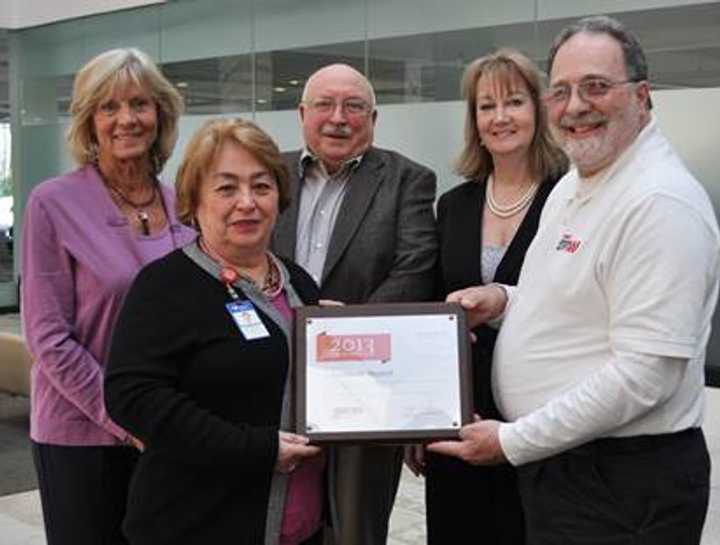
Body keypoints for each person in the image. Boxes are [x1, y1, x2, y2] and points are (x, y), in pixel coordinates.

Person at [429, 15, 719, 545]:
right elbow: (568, 301)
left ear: (643, 96)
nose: (576, 106)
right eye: (561, 90)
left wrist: (513, 441)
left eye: (596, 87)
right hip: (568, 467)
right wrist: (502, 299)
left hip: (621, 482)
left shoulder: (658, 203)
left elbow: (644, 374)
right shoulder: (578, 184)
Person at [105, 118, 325, 545]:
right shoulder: (164, 286)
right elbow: (131, 397)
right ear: (194, 200)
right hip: (196, 523)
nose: (247, 202)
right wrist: (257, 450)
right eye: (226, 188)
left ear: (279, 197)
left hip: (300, 526)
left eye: (261, 187)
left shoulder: (301, 283)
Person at [21, 48, 194, 545]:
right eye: (108, 107)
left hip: (167, 431)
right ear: (89, 121)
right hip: (83, 435)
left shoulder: (182, 202)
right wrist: (127, 416)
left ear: (159, 113)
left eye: (139, 104)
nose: (126, 119)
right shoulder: (52, 203)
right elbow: (48, 337)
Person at [272, 63, 438, 545]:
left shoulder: (409, 179)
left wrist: (346, 330)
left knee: (355, 528)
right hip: (274, 379)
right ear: (302, 113)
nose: (338, 118)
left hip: (366, 383)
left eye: (354, 106)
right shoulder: (268, 174)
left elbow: (416, 269)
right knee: (277, 518)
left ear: (374, 117)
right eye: (324, 104)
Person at [408, 49, 567, 545]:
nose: (500, 117)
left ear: (538, 111)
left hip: (544, 422)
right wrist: (421, 416)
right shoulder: (454, 205)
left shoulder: (569, 198)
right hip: (461, 417)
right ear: (473, 120)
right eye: (485, 106)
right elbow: (436, 314)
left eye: (514, 102)